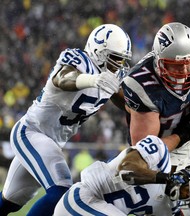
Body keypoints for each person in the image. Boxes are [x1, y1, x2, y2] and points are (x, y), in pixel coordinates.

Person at [0, 24, 132, 216]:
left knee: (10, 201)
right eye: (115, 59)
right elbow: (62, 78)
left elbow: (128, 105)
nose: (119, 65)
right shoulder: (79, 60)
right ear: (99, 52)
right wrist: (92, 80)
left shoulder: (112, 76)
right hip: (31, 132)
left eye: (122, 61)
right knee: (60, 191)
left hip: (51, 143)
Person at [122, 22, 190, 215]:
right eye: (175, 66)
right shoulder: (142, 84)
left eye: (189, 64)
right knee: (167, 208)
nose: (184, 72)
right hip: (159, 150)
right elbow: (146, 154)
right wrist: (185, 133)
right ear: (159, 61)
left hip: (185, 140)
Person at [54, 135, 190, 216]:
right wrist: (164, 179)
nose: (186, 195)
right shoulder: (158, 152)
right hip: (82, 199)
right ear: (186, 168)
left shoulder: (170, 206)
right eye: (189, 187)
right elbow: (126, 170)